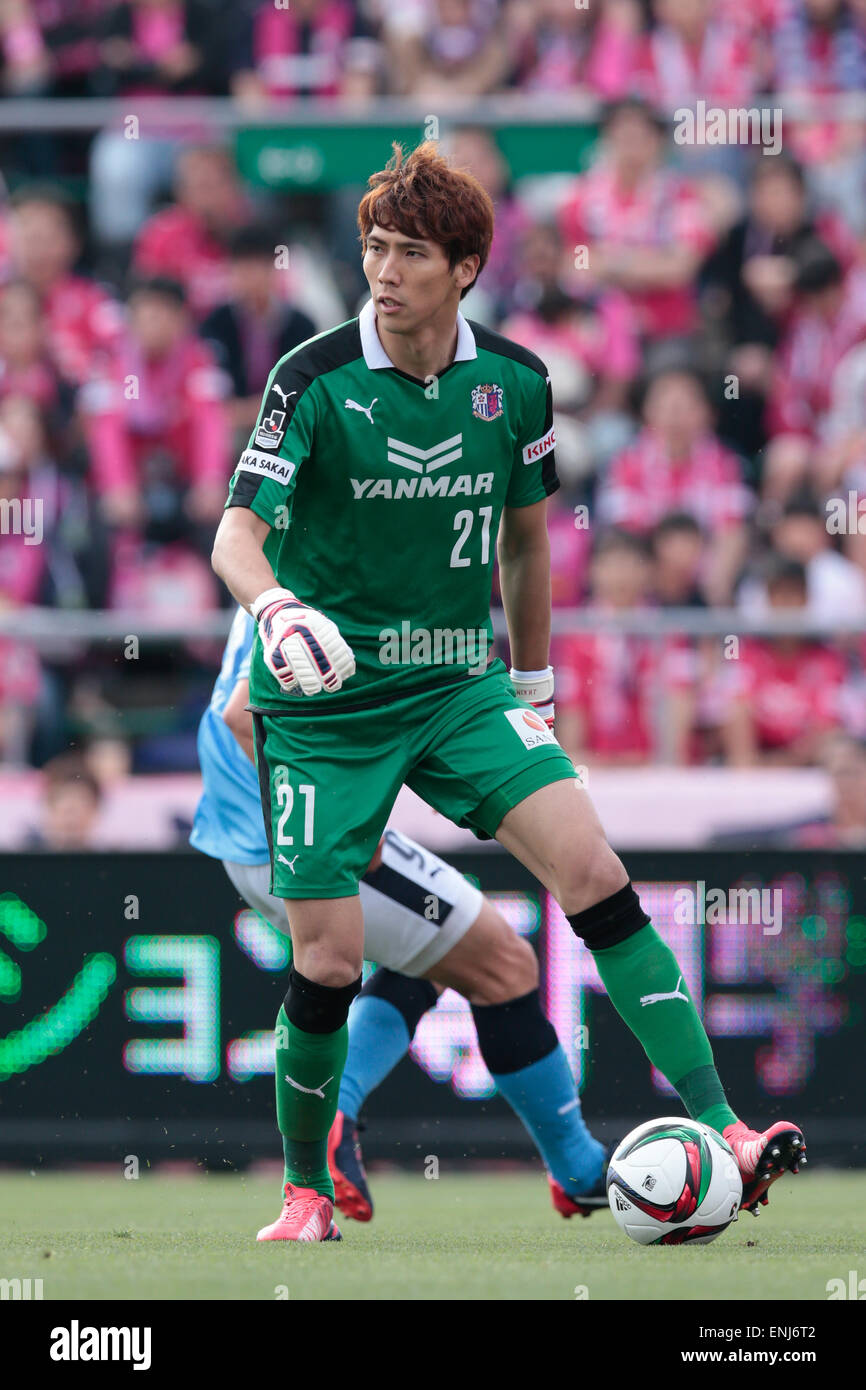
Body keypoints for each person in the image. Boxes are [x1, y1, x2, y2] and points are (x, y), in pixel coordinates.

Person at [211, 141, 804, 1243]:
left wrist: (530, 682)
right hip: (326, 707)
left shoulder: (514, 385)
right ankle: (302, 1189)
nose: (384, 272)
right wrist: (276, 610)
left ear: (466, 266)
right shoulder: (310, 376)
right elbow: (235, 535)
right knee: (329, 959)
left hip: (456, 685)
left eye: (410, 254)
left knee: (593, 869)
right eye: (374, 249)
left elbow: (524, 546)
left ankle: (720, 1123)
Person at [191, 606, 610, 1229]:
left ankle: (575, 1171)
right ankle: (578, 1170)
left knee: (444, 956)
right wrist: (327, 826)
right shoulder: (330, 566)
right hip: (290, 838)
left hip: (255, 835)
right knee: (503, 962)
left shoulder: (283, 559)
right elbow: (243, 716)